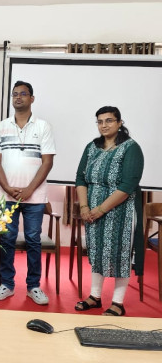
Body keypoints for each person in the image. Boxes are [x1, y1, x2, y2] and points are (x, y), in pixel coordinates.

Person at [0, 80, 55, 305]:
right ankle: (6, 284)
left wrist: (29, 189)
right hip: (6, 195)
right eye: (14, 94)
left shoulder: (43, 126)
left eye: (23, 94)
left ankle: (33, 286)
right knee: (6, 239)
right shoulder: (1, 126)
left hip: (34, 197)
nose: (18, 97)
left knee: (33, 239)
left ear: (32, 98)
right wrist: (6, 187)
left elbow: (47, 162)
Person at [74, 106, 144, 316]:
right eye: (100, 121)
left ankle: (118, 302)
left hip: (120, 212)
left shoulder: (131, 148)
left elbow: (128, 185)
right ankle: (95, 297)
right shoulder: (92, 147)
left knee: (120, 255)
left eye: (109, 121)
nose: (104, 125)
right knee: (97, 252)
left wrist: (101, 209)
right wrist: (85, 207)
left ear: (120, 122)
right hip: (92, 213)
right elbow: (80, 178)